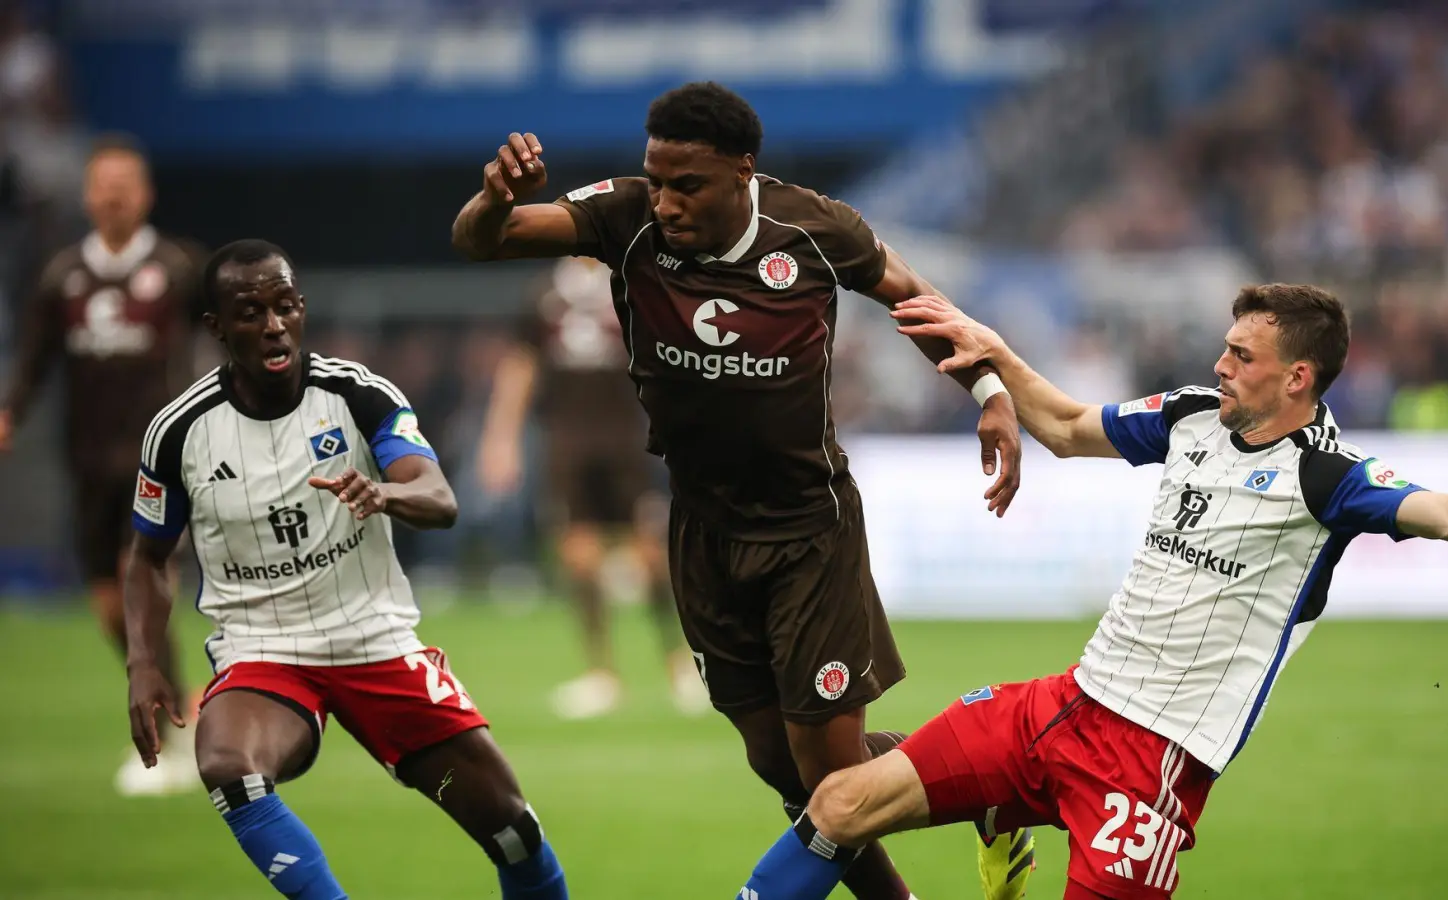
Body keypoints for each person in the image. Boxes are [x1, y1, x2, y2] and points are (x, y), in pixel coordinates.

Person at [732, 283, 1448, 900]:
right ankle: (1004, 813)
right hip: (1064, 705)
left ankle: (1002, 825)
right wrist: (991, 353)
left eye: (1241, 355)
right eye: (1224, 347)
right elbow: (1070, 429)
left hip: (1151, 766)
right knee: (840, 802)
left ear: (1297, 378)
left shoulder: (1326, 479)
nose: (1219, 363)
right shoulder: (1190, 417)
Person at [453, 81, 1033, 900]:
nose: (665, 201)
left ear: (742, 172)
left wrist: (991, 395)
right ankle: (990, 783)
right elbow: (483, 240)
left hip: (808, 532)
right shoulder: (624, 219)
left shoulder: (815, 229)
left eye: (686, 184)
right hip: (704, 532)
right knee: (779, 765)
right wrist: (492, 198)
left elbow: (915, 299)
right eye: (656, 179)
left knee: (831, 780)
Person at [122, 240, 568, 900]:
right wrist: (143, 662)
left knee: (511, 830)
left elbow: (440, 497)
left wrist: (385, 493)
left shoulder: (357, 394)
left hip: (373, 639)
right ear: (216, 328)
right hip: (263, 649)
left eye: (286, 306)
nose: (274, 325)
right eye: (251, 312)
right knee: (225, 764)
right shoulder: (179, 430)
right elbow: (148, 558)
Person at [0, 134, 203, 796]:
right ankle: (182, 695)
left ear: (144, 194)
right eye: (103, 183)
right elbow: (34, 357)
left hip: (157, 464)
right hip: (87, 462)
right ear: (89, 195)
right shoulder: (63, 276)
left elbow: (229, 333)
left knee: (140, 584)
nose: (114, 194)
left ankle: (165, 738)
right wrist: (11, 411)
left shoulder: (177, 268)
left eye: (126, 183)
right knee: (109, 607)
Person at [477, 257, 708, 719]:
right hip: (567, 440)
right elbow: (521, 365)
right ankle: (603, 675)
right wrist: (500, 437)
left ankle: (682, 665)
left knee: (650, 554)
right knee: (578, 553)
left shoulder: (634, 284)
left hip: (627, 438)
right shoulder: (546, 293)